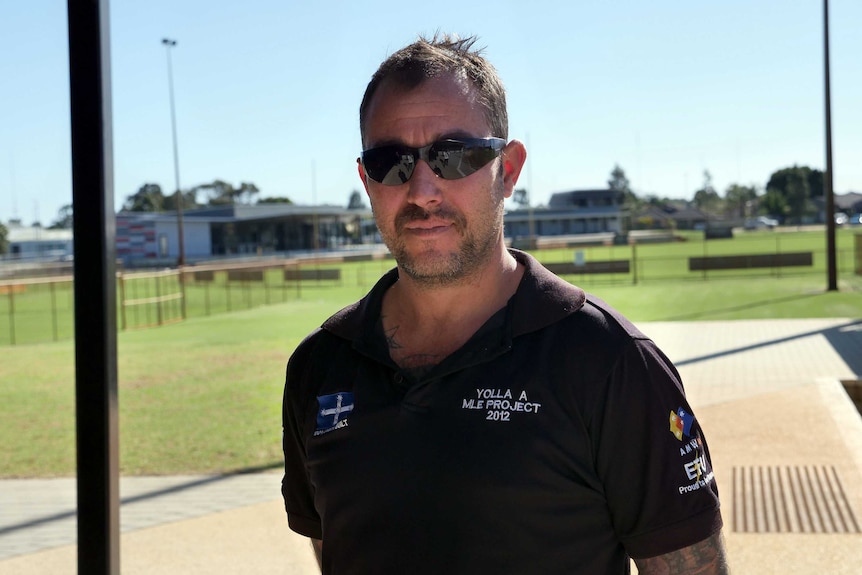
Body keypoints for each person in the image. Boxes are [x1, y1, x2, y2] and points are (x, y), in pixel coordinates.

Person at [282, 34, 728, 574]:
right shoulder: (320, 366)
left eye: (454, 155)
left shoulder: (611, 362)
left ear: (509, 169)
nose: (423, 190)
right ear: (367, 180)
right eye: (391, 161)